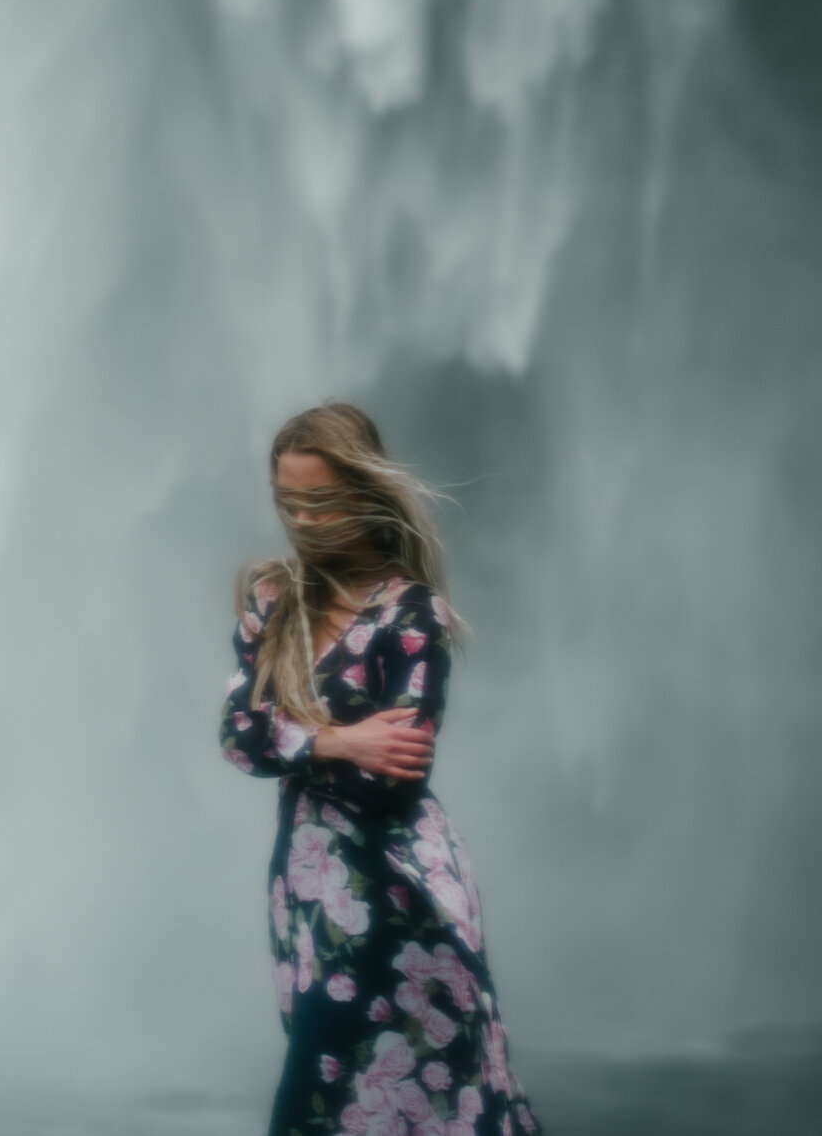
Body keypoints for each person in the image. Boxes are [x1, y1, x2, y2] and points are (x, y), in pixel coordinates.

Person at [220, 402, 540, 1135]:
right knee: (334, 1079)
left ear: (363, 495)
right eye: (288, 501)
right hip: (308, 884)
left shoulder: (411, 613)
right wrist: (337, 741)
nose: (302, 520)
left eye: (322, 502)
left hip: (403, 887)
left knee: (401, 1086)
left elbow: (392, 776)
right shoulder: (270, 603)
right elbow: (236, 736)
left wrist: (293, 740)